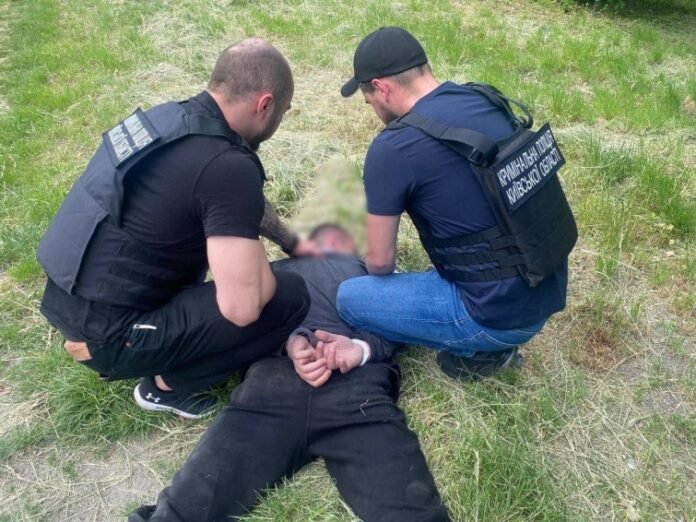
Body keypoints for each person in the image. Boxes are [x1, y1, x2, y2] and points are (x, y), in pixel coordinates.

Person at [36, 39, 314, 419]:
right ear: (265, 105)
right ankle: (165, 386)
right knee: (288, 297)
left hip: (71, 300)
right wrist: (261, 274)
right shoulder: (228, 165)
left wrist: (290, 240)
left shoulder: (167, 120)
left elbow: (231, 200)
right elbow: (243, 308)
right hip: (113, 338)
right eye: (283, 112)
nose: (279, 122)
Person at [129, 224, 451, 522]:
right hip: (274, 386)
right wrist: (292, 342)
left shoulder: (369, 274)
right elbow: (237, 322)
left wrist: (358, 348)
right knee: (188, 503)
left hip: (354, 392)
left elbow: (404, 323)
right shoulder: (269, 273)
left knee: (412, 510)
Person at [337, 27, 570, 380]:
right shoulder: (484, 97)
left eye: (370, 102)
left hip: (495, 317)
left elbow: (381, 263)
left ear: (381, 88)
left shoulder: (393, 147)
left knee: (350, 297)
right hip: (547, 285)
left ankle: (481, 351)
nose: (374, 111)